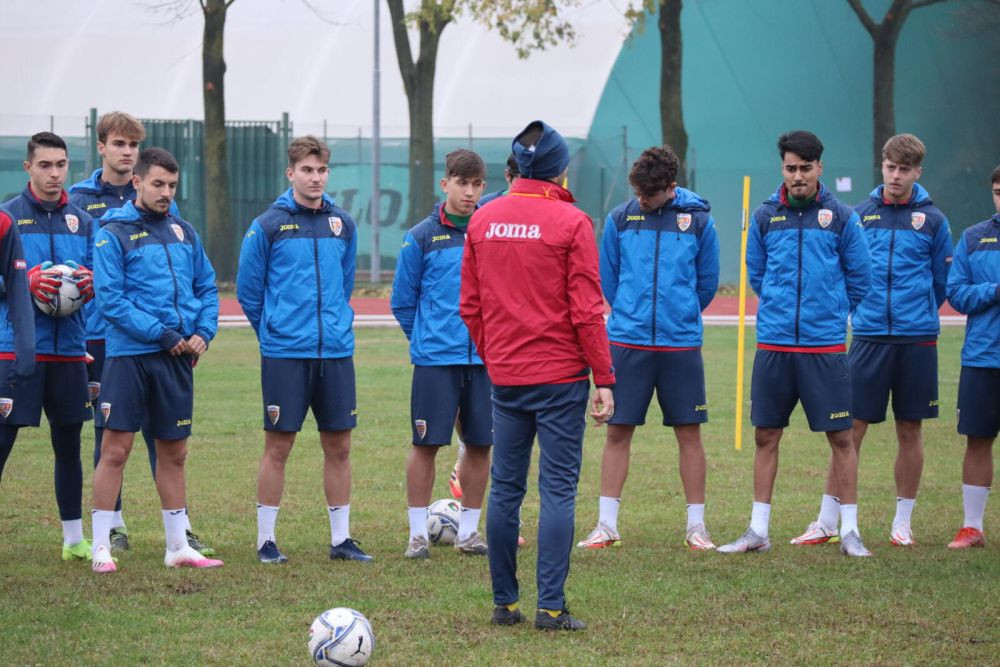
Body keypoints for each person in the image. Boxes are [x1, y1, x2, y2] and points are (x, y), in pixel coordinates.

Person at [461, 120, 615, 631]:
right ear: (561, 168)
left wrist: (497, 354)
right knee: (557, 490)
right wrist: (604, 378)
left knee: (505, 488)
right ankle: (551, 607)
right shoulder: (572, 223)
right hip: (560, 378)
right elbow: (588, 310)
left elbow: (471, 306)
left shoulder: (483, 220)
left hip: (506, 377)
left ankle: (505, 605)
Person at [717, 130, 873, 557]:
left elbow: (860, 278)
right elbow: (757, 273)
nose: (798, 176)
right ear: (782, 169)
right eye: (791, 168)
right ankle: (758, 530)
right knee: (766, 435)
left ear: (820, 168)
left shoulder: (841, 217)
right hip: (775, 345)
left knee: (841, 438)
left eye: (806, 168)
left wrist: (831, 310)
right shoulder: (767, 216)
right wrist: (783, 310)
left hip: (824, 348)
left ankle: (849, 531)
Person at [794, 134, 952, 548]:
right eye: (890, 167)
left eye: (904, 170)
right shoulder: (859, 215)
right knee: (850, 429)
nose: (896, 176)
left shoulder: (934, 220)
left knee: (910, 428)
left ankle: (903, 522)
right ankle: (828, 520)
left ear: (917, 172)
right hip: (867, 337)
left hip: (917, 340)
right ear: (881, 167)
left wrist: (915, 314)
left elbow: (940, 283)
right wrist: (864, 313)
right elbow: (849, 273)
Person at [68, 111, 214, 556]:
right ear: (138, 183)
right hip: (129, 357)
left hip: (177, 358)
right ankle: (100, 544)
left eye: (172, 186)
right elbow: (110, 300)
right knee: (115, 448)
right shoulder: (113, 233)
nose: (166, 193)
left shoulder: (183, 231)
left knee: (174, 452)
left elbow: (206, 285)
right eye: (158, 185)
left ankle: (177, 547)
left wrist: (204, 332)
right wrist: (165, 334)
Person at [237, 135, 372, 564]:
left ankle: (340, 540)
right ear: (290, 173)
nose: (315, 178)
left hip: (334, 352)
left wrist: (332, 324)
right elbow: (248, 291)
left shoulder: (342, 224)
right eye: (307, 170)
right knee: (279, 447)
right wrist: (274, 331)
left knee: (340, 447)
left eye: (322, 171)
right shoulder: (268, 225)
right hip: (285, 353)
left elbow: (345, 282)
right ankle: (266, 542)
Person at [578, 145, 719, 552]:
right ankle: (606, 525)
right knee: (617, 431)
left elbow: (706, 283)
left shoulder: (699, 222)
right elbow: (609, 278)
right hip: (627, 342)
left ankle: (697, 527)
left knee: (689, 434)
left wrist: (681, 312)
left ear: (670, 188)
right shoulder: (621, 219)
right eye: (637, 191)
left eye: (649, 194)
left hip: (680, 346)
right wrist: (633, 310)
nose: (641, 199)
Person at [391, 149, 492, 559]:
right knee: (426, 444)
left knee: (481, 445)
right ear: (445, 183)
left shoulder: (491, 231)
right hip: (436, 360)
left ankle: (470, 532)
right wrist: (427, 341)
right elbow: (403, 302)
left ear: (483, 187)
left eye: (476, 184)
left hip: (486, 361)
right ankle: (417, 535)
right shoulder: (420, 236)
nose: (468, 192)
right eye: (461, 183)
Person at [0, 132, 96, 562]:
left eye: (61, 165)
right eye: (45, 165)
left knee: (69, 445)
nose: (54, 173)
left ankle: (74, 540)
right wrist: (24, 282)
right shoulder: (6, 217)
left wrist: (91, 286)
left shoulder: (83, 222)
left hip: (70, 352)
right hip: (16, 351)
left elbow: (98, 274)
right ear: (28, 168)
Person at [944, 165, 1000, 549]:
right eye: (998, 190)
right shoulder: (975, 237)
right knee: (977, 440)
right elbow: (958, 294)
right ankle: (972, 526)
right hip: (983, 358)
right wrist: (995, 290)